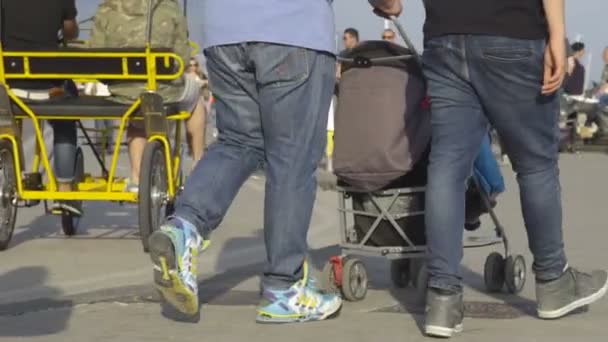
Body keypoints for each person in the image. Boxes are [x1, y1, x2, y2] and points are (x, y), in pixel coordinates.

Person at [374, 0, 607, 338]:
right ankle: (554, 281)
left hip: (445, 36)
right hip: (513, 31)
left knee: (447, 167)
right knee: (536, 165)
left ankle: (442, 298)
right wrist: (558, 34)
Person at [147, 0, 343, 323]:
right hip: (293, 28)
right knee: (292, 157)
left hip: (223, 31)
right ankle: (284, 287)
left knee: (239, 141)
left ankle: (184, 226)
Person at [89, 0, 206, 192]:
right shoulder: (169, 7)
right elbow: (183, 57)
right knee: (196, 99)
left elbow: (95, 53)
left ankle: (136, 178)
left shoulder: (106, 8)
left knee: (136, 121)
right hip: (164, 91)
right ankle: (198, 162)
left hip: (124, 92)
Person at [2, 0, 82, 215]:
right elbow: (70, 31)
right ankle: (64, 188)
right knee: (66, 114)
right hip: (48, 89)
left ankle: (21, 175)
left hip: (11, 86)